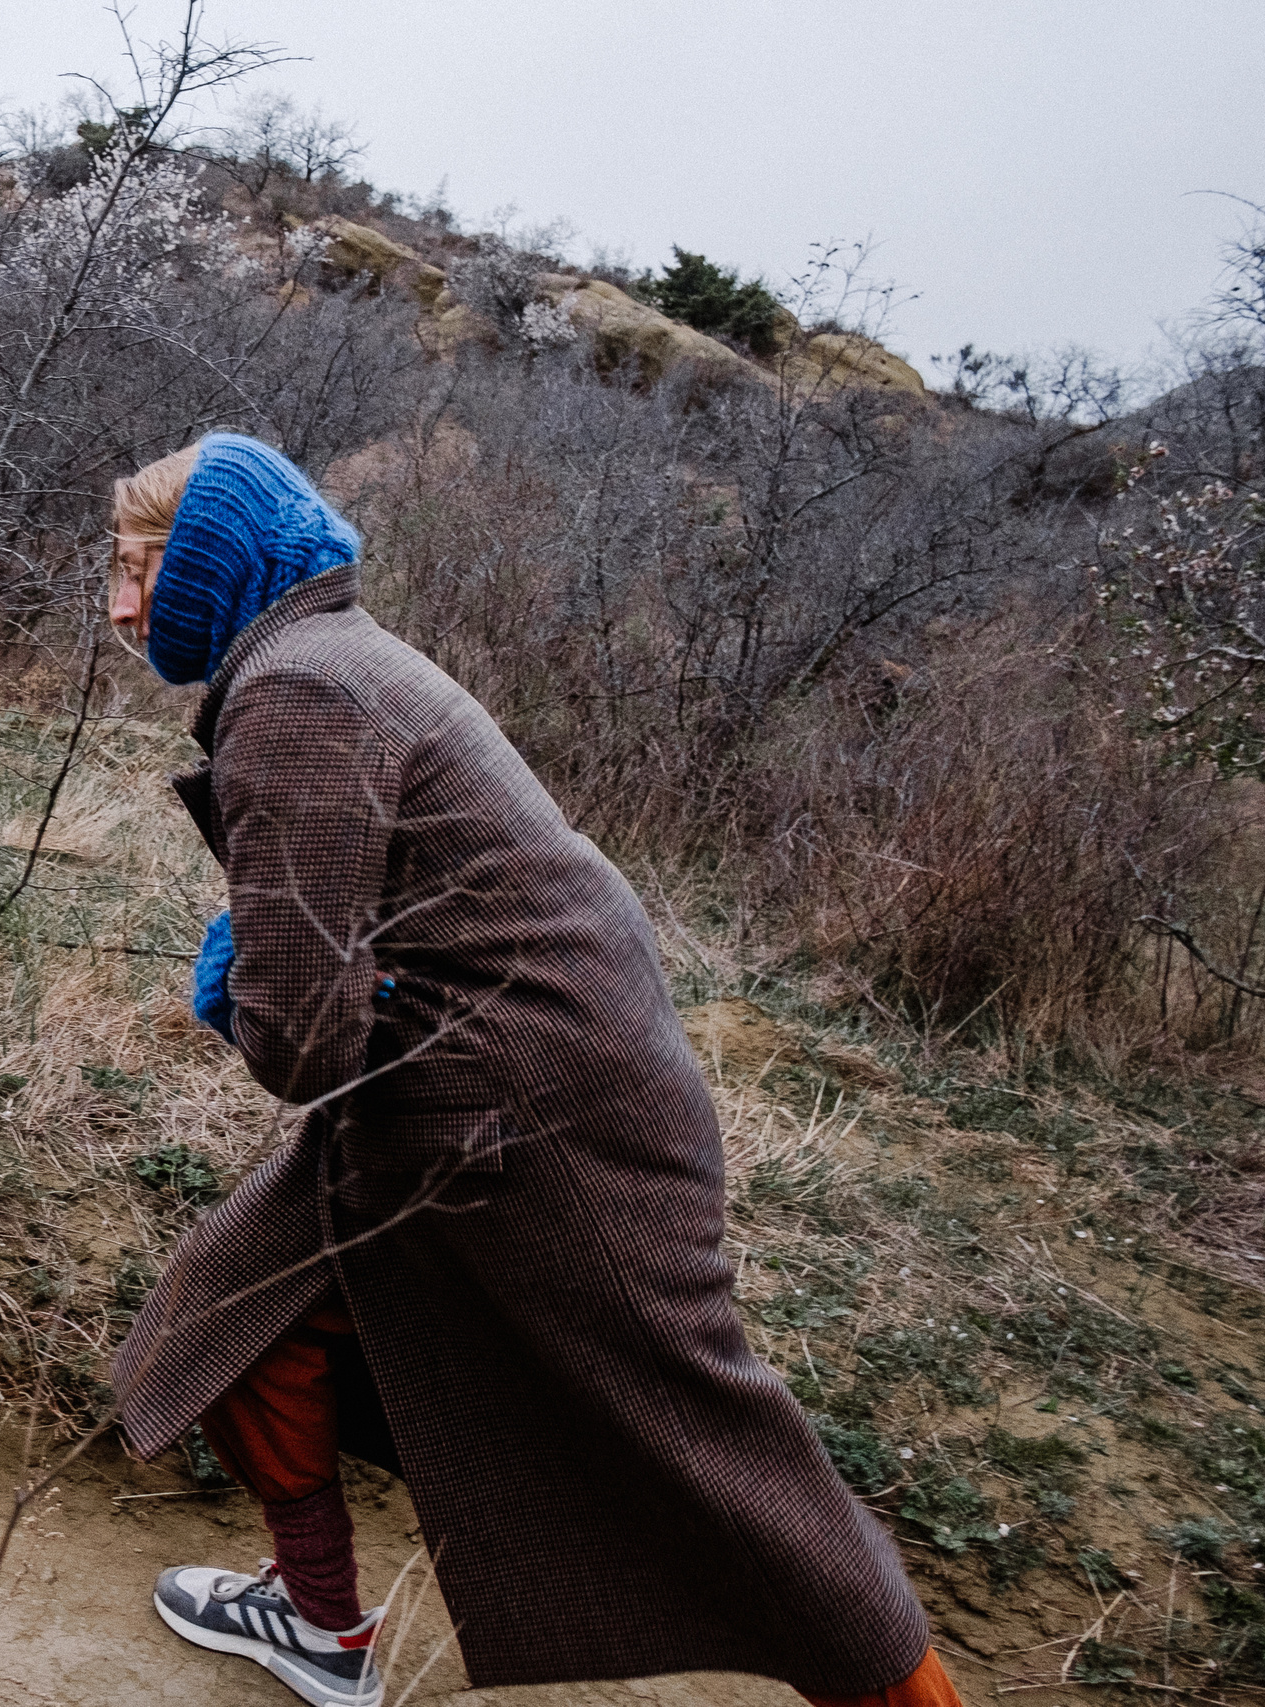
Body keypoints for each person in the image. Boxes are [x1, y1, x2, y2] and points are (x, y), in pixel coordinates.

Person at [104, 434, 961, 1707]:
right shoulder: (329, 654)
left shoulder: (298, 688)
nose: (120, 603)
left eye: (140, 564)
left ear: (215, 558)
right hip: (488, 1086)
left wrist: (242, 986)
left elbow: (301, 1043)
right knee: (239, 1320)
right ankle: (319, 1624)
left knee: (700, 1440)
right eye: (111, 571)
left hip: (527, 1116)